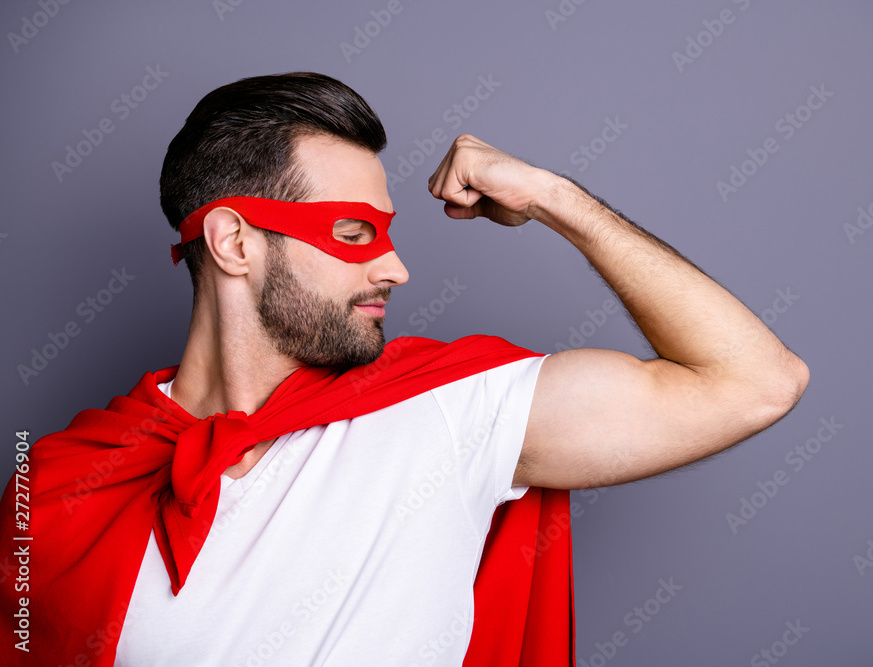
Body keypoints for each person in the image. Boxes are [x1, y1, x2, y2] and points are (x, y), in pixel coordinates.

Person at [0, 72, 808, 666]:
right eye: (354, 233)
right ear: (234, 242)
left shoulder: (452, 410)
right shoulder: (57, 487)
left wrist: (555, 196)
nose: (396, 266)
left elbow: (754, 382)